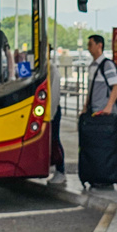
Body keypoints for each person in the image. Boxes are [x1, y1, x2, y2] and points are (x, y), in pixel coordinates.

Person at [85, 35, 117, 115]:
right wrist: (85, 106)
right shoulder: (92, 66)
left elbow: (116, 87)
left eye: (90, 45)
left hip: (104, 112)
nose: (88, 48)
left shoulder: (107, 65)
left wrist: (109, 106)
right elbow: (91, 89)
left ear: (99, 45)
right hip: (93, 111)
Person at [48, 44, 66, 185]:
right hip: (47, 112)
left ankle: (60, 170)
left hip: (52, 112)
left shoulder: (52, 69)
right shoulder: (42, 68)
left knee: (54, 140)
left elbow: (54, 95)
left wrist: (50, 115)